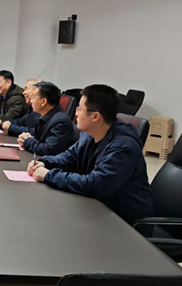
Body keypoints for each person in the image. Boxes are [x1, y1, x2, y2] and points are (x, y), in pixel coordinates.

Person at [27, 84, 153, 225]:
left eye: (80, 109)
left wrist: (49, 175)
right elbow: (69, 157)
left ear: (95, 116)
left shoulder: (123, 147)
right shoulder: (89, 134)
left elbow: (96, 185)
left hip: (124, 222)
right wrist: (45, 162)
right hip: (98, 209)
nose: (75, 113)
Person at [17, 81, 75, 156]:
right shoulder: (45, 116)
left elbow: (49, 150)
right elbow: (38, 137)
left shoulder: (60, 121)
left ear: (43, 101)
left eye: (33, 97)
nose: (31, 100)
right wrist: (27, 137)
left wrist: (27, 142)